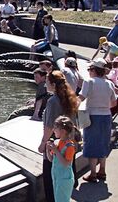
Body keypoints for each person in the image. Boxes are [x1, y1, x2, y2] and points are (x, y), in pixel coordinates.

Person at [39, 71, 79, 201]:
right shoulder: (70, 98)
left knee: (51, 183)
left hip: (56, 146)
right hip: (68, 143)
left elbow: (50, 125)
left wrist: (43, 143)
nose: (45, 84)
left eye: (47, 81)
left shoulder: (52, 101)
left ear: (52, 84)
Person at [79, 58, 116, 183]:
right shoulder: (109, 83)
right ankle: (102, 171)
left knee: (91, 143)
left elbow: (81, 98)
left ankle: (93, 174)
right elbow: (114, 102)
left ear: (94, 70)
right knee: (103, 143)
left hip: (92, 116)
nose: (89, 71)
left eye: (90, 69)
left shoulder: (89, 82)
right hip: (106, 115)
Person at [45, 116, 78, 202]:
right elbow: (51, 159)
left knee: (62, 200)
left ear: (62, 131)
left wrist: (56, 151)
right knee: (58, 199)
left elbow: (66, 163)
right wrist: (48, 150)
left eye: (55, 128)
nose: (53, 130)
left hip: (65, 179)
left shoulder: (70, 146)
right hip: (56, 177)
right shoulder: (57, 142)